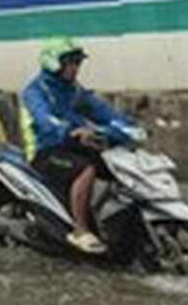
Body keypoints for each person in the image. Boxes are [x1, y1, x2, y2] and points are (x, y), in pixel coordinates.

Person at [22, 37, 134, 255]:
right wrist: (70, 131)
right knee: (86, 169)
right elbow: (45, 120)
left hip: (73, 145)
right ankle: (80, 230)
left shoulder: (74, 91)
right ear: (54, 63)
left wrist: (127, 125)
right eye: (71, 63)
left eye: (77, 63)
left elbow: (103, 112)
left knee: (120, 167)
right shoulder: (36, 91)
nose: (75, 68)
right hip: (45, 150)